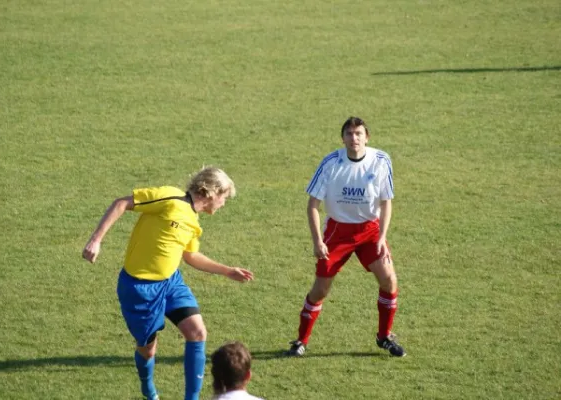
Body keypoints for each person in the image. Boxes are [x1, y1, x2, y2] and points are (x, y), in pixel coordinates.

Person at [82, 167, 254, 400]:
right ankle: (148, 387)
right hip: (139, 289)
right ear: (212, 192)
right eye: (224, 197)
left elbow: (191, 256)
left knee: (198, 332)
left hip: (171, 283)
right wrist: (96, 240)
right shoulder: (170, 198)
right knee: (148, 349)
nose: (224, 203)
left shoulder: (194, 222)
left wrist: (227, 271)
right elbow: (121, 203)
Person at [286, 116, 406, 358]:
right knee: (320, 290)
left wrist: (382, 236)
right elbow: (312, 205)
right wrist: (318, 241)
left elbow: (386, 201)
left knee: (389, 280)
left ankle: (384, 336)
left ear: (367, 137)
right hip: (338, 232)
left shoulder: (381, 160)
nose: (354, 139)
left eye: (359, 134)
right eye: (349, 134)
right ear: (343, 138)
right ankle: (301, 340)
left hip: (370, 231)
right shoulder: (331, 163)